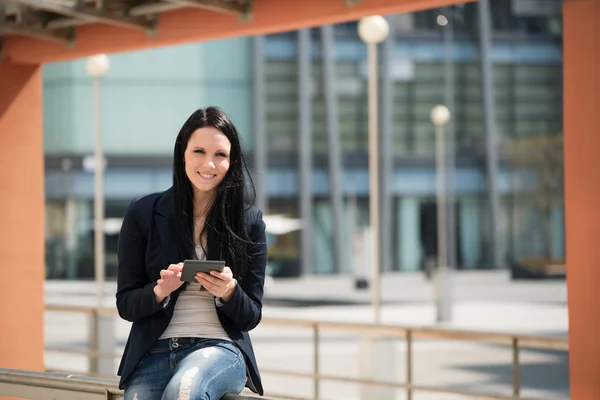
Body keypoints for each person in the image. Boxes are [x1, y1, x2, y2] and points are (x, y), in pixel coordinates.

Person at [115, 107, 267, 400]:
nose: (209, 163)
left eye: (220, 155)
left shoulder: (249, 222)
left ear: (232, 160)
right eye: (199, 151)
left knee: (184, 390)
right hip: (153, 350)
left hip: (219, 347)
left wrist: (230, 292)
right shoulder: (143, 213)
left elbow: (252, 315)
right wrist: (159, 291)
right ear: (182, 152)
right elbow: (126, 304)